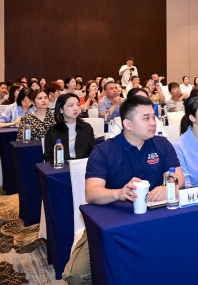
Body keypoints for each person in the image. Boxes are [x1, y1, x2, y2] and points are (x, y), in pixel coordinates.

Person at [63, 96, 184, 285]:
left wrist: (167, 186)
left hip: (156, 217)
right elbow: (91, 193)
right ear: (128, 124)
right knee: (77, 275)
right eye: (146, 118)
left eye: (153, 117)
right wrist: (119, 193)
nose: (153, 123)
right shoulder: (104, 151)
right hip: (112, 221)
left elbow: (179, 179)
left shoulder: (162, 144)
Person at [43, 93, 96, 163]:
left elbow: (93, 151)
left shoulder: (86, 128)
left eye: (78, 105)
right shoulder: (53, 131)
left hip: (83, 165)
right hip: (62, 166)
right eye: (70, 105)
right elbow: (48, 156)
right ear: (61, 109)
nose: (75, 108)